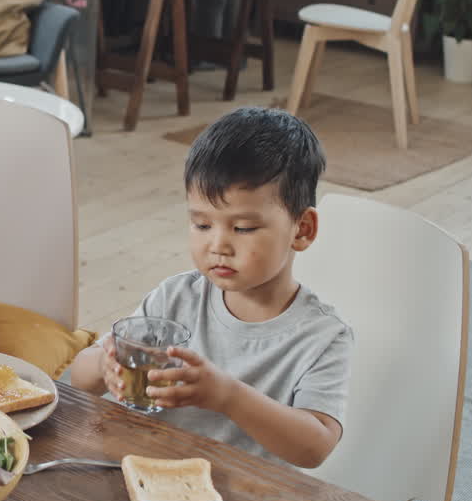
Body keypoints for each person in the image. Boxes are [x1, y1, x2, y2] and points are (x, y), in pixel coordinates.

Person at [69, 107, 352, 468]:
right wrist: (103, 367)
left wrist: (227, 396)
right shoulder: (174, 299)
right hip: (142, 473)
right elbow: (78, 377)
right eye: (202, 225)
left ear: (302, 229)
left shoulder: (321, 336)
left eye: (244, 228)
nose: (218, 245)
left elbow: (315, 447)